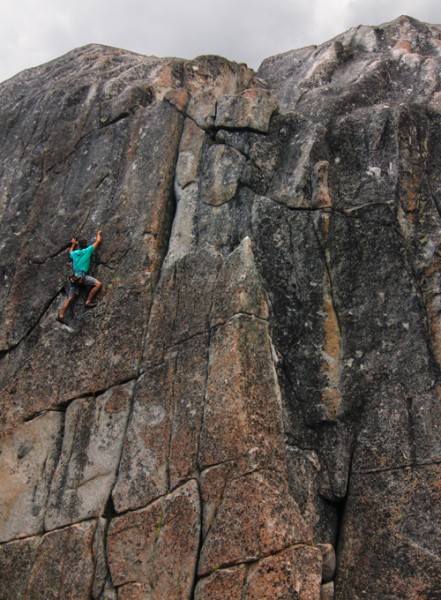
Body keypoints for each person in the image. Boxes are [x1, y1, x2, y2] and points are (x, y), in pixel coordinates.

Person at [57, 230, 103, 322]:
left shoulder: (74, 254)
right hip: (82, 276)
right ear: (86, 245)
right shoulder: (87, 251)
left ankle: (61, 315)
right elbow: (98, 241)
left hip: (75, 277)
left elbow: (70, 252)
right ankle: (88, 301)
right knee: (98, 284)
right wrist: (99, 233)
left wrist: (73, 244)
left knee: (70, 298)